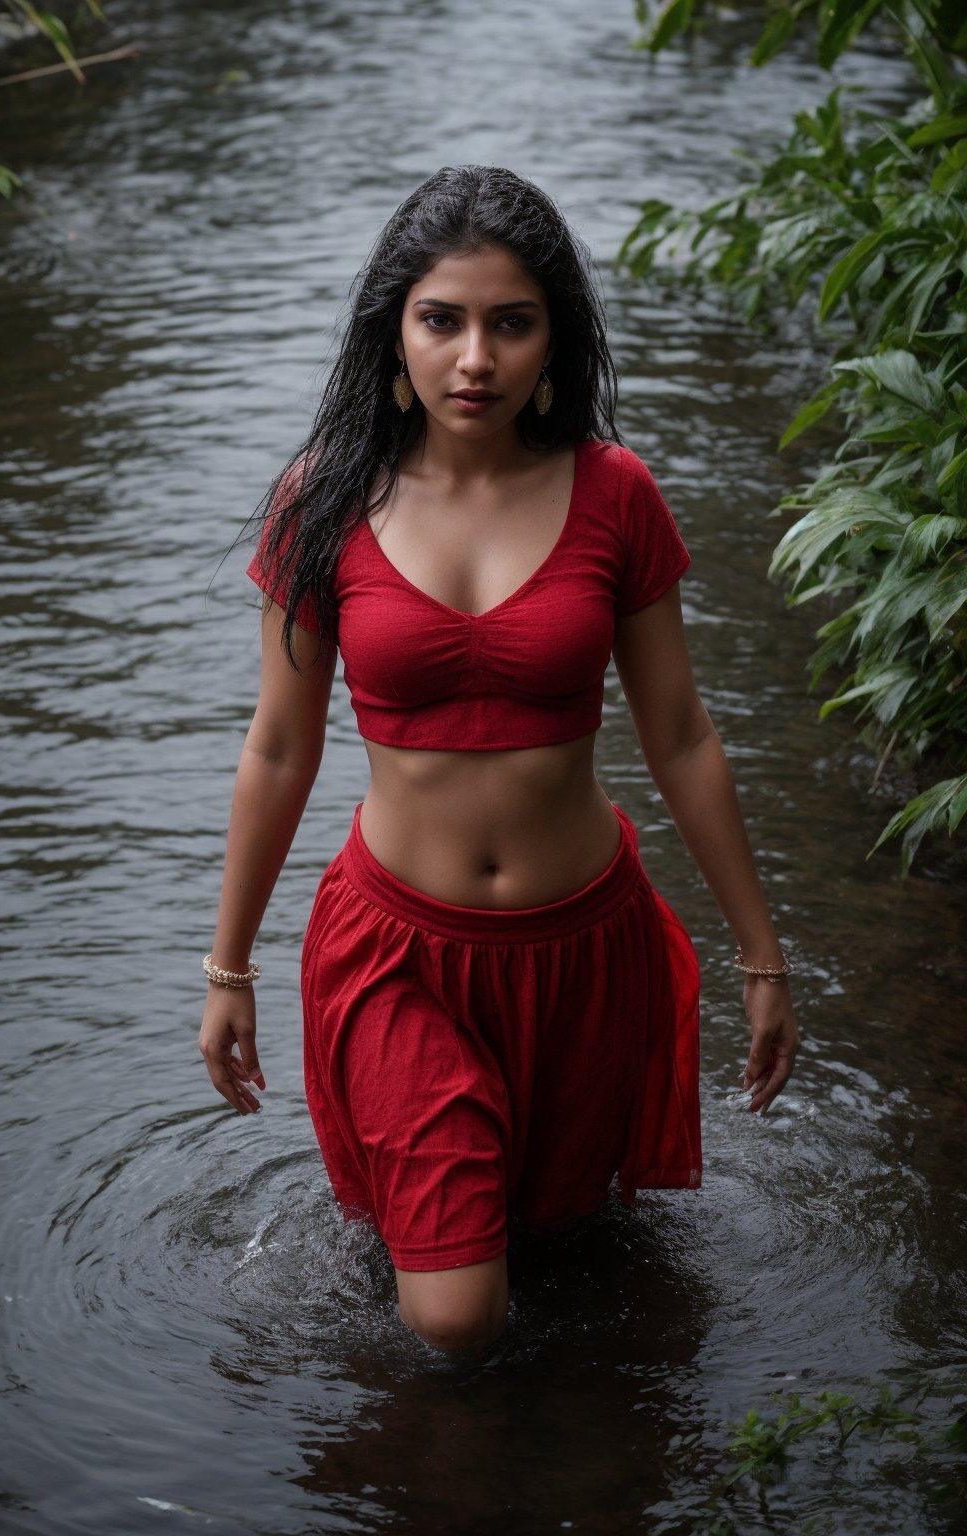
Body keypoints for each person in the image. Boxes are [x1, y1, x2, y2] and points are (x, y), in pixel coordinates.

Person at [199, 165, 799, 1356]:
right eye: (442, 320)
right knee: (459, 1318)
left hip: (582, 946)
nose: (474, 358)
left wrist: (761, 954)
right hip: (396, 949)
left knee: (566, 1252)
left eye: (509, 323)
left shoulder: (613, 494)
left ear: (551, 343)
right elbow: (278, 747)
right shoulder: (321, 501)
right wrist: (228, 971)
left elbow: (680, 735)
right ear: (395, 332)